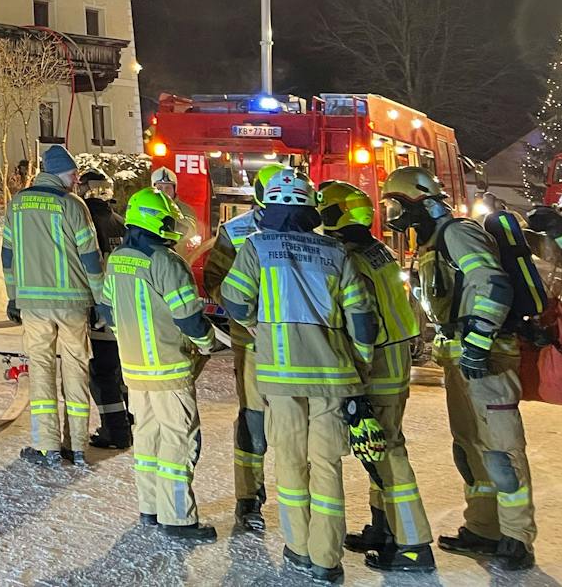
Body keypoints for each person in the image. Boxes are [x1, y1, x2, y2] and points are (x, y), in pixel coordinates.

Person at [222, 168, 377, 583]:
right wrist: (358, 366)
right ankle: (328, 560)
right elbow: (363, 319)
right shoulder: (335, 253)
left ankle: (299, 548)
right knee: (327, 466)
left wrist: (259, 327)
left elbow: (234, 300)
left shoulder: (256, 247)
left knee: (291, 465)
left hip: (281, 379)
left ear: (268, 208)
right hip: (333, 378)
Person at [383, 165, 536, 571]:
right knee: (469, 449)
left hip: (488, 356)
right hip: (459, 355)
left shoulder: (458, 233)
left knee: (501, 450)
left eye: (397, 205)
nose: (394, 216)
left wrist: (479, 341)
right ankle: (483, 528)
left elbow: (493, 283)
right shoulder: (432, 243)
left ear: (422, 201)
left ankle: (517, 537)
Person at [318, 181, 434, 572]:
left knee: (387, 455)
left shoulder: (351, 258)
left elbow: (360, 324)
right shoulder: (377, 250)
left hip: (377, 366)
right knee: (379, 452)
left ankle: (414, 544)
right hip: (395, 360)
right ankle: (383, 529)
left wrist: (353, 381)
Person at [103, 186, 217, 542]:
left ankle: (151, 508)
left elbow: (109, 313)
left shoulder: (118, 259)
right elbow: (189, 319)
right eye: (169, 220)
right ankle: (178, 518)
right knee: (179, 445)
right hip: (169, 371)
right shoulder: (167, 263)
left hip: (134, 372)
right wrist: (208, 342)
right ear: (156, 222)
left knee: (147, 440)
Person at [3, 143, 104, 468]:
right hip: (72, 303)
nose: (77, 180)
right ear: (61, 173)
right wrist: (101, 300)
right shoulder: (73, 206)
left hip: (33, 303)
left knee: (42, 370)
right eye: (74, 174)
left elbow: (8, 255)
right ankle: (76, 446)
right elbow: (91, 258)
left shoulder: (17, 204)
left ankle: (46, 446)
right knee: (76, 369)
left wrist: (13, 295)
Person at [201, 160, 283, 532]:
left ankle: (303, 497)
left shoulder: (306, 227)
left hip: (288, 345)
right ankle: (248, 498)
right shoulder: (235, 232)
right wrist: (243, 311)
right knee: (254, 422)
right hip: (252, 344)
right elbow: (214, 278)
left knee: (294, 425)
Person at [81, 168, 133, 449]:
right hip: (125, 309)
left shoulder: (86, 224)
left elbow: (89, 267)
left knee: (102, 372)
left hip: (101, 309)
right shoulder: (121, 223)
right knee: (119, 369)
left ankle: (115, 430)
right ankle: (127, 419)